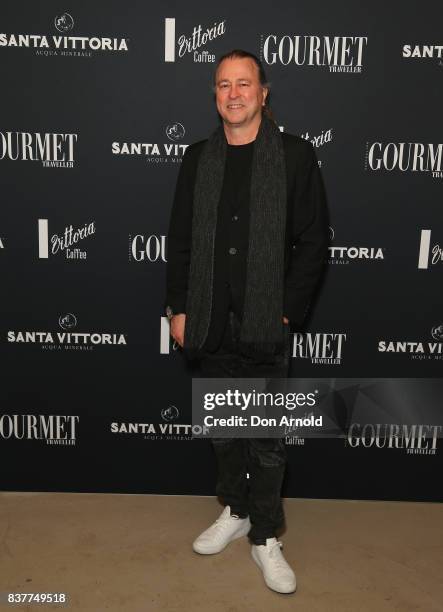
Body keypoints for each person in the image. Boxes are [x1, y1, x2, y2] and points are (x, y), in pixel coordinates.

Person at [165, 49, 329, 594]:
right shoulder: (197, 159)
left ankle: (265, 535)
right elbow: (182, 242)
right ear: (215, 96)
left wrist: (284, 309)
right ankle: (234, 509)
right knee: (224, 432)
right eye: (222, 85)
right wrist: (179, 307)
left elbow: (312, 244)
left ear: (263, 94)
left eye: (244, 84)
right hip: (210, 321)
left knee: (266, 438)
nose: (233, 93)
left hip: (264, 323)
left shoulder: (295, 156)